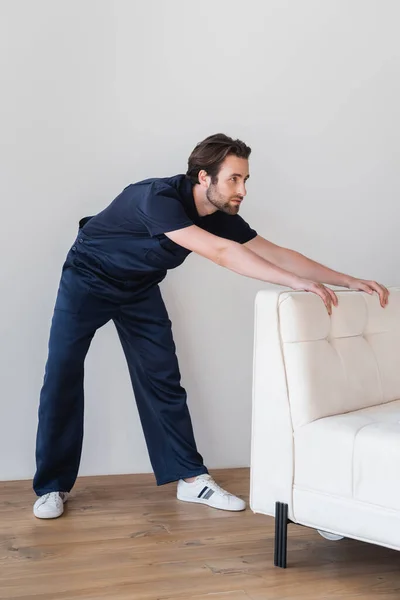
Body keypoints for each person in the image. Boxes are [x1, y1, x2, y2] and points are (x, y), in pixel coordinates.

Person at [33, 133, 389, 519]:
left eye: (246, 180)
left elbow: (275, 253)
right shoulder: (157, 199)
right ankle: (52, 486)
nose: (243, 190)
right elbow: (222, 252)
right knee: (63, 372)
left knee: (162, 378)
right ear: (204, 178)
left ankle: (191, 479)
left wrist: (346, 279)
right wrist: (291, 283)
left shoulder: (219, 215)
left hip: (137, 288)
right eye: (234, 179)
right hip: (87, 277)